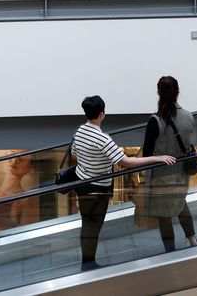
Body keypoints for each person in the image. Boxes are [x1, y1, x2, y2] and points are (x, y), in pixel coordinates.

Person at [71, 95, 176, 271]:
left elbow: (75, 153)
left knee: (87, 222)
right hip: (98, 188)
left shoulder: (80, 131)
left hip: (82, 182)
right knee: (94, 225)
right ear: (102, 114)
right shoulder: (102, 139)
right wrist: (158, 158)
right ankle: (88, 264)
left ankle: (86, 261)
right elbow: (126, 162)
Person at [141, 76, 197, 252]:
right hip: (181, 174)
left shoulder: (155, 121)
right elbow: (189, 144)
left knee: (163, 214)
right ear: (178, 93)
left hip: (161, 176)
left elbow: (147, 154)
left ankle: (170, 250)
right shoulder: (189, 117)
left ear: (158, 93)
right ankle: (193, 240)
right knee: (181, 204)